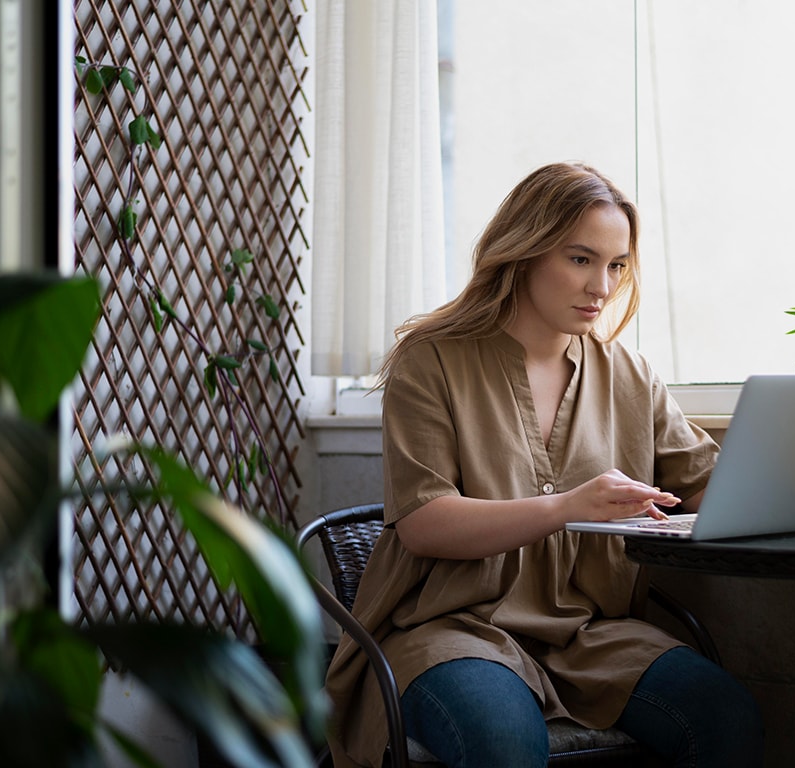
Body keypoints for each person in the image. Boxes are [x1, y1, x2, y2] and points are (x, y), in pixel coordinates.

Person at [324, 162, 763, 768]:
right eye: (580, 259)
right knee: (502, 741)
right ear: (524, 252)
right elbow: (425, 521)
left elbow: (714, 486)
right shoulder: (431, 362)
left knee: (727, 715)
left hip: (591, 637)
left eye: (616, 265)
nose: (602, 288)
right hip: (451, 631)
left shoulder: (632, 378)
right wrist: (565, 507)